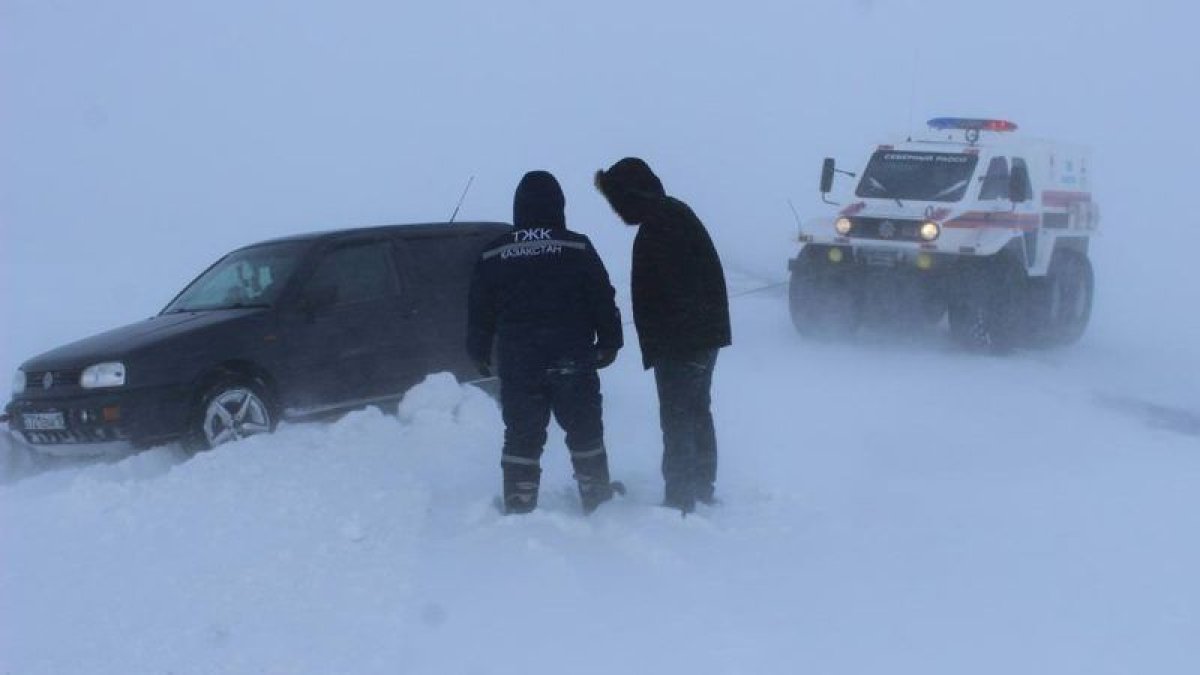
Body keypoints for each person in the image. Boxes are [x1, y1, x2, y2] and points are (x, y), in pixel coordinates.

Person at [467, 170, 624, 515]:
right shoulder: (576, 246)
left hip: (520, 359)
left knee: (522, 431)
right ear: (559, 206)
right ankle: (596, 496)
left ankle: (519, 501)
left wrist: (477, 349)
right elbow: (601, 296)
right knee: (583, 427)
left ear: (518, 208)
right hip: (571, 354)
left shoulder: (494, 253)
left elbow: (479, 307)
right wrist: (611, 340)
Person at [594, 157, 731, 513]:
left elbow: (673, 290)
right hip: (700, 336)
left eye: (617, 201)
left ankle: (680, 497)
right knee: (697, 411)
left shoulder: (660, 225)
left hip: (682, 342)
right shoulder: (673, 214)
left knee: (678, 417)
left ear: (632, 195)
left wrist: (673, 339)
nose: (617, 211)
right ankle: (701, 486)